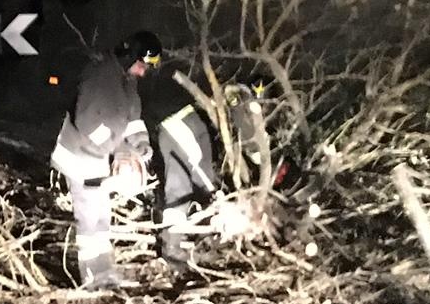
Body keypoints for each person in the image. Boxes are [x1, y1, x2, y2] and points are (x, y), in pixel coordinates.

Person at [50, 31, 161, 289]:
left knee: (102, 216)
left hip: (99, 156)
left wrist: (140, 145)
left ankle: (104, 272)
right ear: (129, 56)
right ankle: (92, 278)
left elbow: (132, 119)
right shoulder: (100, 75)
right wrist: (117, 149)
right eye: (141, 65)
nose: (142, 72)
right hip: (81, 156)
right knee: (90, 218)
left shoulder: (128, 81)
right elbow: (89, 123)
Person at [155, 81, 267, 269]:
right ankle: (174, 245)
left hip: (183, 121)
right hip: (181, 123)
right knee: (192, 185)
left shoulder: (233, 95)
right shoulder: (236, 96)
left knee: (194, 185)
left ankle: (197, 241)